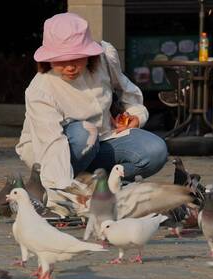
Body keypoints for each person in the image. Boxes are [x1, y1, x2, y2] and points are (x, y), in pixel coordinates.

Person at [15, 13, 168, 195]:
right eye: (62, 60)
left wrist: (135, 114)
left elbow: (127, 90)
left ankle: (102, 185)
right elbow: (52, 144)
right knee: (85, 132)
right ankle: (69, 187)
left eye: (77, 58)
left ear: (90, 54)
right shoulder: (40, 90)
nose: (70, 67)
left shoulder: (105, 58)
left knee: (155, 150)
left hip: (103, 140)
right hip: (57, 150)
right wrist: (62, 192)